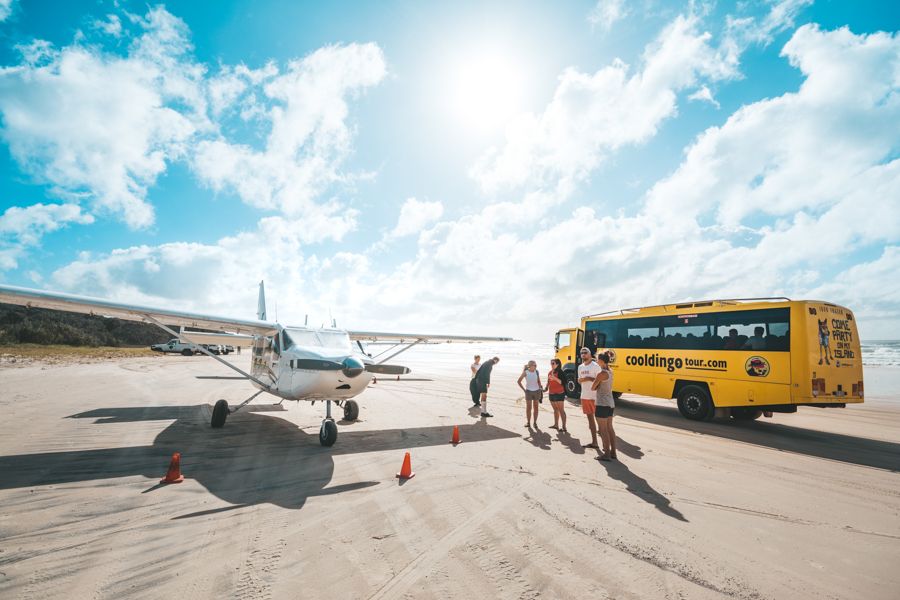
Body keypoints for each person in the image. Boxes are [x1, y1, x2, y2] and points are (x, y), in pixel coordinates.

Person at [592, 351, 617, 461]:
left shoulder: (601, 373)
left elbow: (593, 387)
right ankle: (613, 452)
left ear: (601, 361)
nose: (596, 361)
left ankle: (606, 453)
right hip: (610, 403)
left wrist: (595, 383)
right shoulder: (610, 371)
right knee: (610, 428)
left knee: (603, 430)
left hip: (602, 403)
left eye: (597, 359)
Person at [577, 347, 601, 449]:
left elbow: (600, 381)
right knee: (590, 421)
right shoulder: (580, 367)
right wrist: (581, 380)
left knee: (601, 421)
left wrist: (588, 378)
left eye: (585, 352)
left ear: (590, 354)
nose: (583, 354)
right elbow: (579, 380)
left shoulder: (595, 366)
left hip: (595, 397)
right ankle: (594, 442)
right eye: (581, 353)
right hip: (585, 396)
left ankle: (606, 445)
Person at [517, 360, 543, 428]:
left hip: (537, 391)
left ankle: (535, 423)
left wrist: (540, 388)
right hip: (528, 392)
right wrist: (524, 390)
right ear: (530, 366)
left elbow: (538, 381)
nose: (536, 366)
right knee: (529, 408)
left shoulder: (537, 371)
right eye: (535, 365)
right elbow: (519, 381)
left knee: (536, 408)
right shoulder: (526, 372)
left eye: (536, 365)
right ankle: (528, 422)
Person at [545, 358, 567, 432]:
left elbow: (563, 382)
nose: (551, 365)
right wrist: (545, 388)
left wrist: (555, 378)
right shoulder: (549, 372)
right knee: (555, 410)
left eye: (553, 363)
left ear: (557, 364)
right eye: (551, 363)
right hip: (551, 393)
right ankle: (556, 425)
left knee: (561, 410)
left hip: (559, 393)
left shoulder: (560, 372)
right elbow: (548, 382)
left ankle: (564, 427)